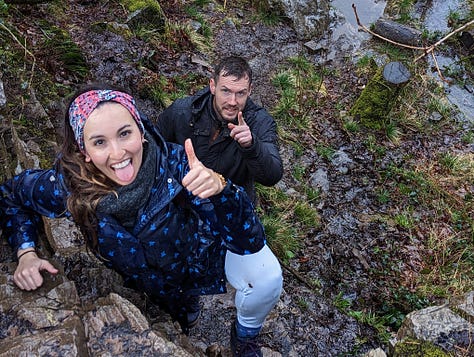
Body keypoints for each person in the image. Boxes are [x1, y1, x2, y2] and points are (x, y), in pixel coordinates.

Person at [0, 84, 283, 357]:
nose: (118, 153)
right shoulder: (69, 186)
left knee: (220, 299)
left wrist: (222, 189)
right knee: (174, 319)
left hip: (190, 267)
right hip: (140, 285)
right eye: (99, 142)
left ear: (142, 130)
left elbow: (250, 242)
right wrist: (25, 252)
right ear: (83, 149)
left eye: (125, 133)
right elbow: (12, 196)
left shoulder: (176, 167)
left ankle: (233, 333)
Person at [156, 56, 283, 203]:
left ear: (249, 91)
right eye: (226, 91)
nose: (232, 102)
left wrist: (251, 145)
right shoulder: (181, 112)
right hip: (180, 196)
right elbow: (153, 150)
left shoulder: (260, 122)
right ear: (213, 86)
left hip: (229, 202)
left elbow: (272, 176)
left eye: (240, 93)